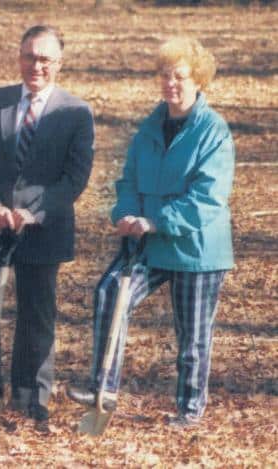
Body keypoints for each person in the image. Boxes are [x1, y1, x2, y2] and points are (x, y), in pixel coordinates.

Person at [67, 37, 235, 428]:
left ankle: (190, 410)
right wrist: (126, 214)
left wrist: (158, 220)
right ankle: (102, 387)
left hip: (196, 248)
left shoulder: (214, 131)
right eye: (164, 75)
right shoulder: (149, 127)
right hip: (147, 241)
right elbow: (128, 181)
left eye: (179, 76)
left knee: (191, 338)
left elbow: (208, 197)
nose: (170, 83)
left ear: (198, 79)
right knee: (110, 291)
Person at [0, 25, 95, 422]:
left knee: (37, 310)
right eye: (29, 57)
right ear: (19, 58)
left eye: (45, 59)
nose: (36, 66)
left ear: (59, 64)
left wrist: (33, 212)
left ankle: (30, 391)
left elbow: (75, 177)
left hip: (43, 226)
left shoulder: (76, 112)